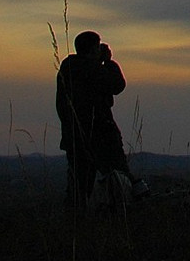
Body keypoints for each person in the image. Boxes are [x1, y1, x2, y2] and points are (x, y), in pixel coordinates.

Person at [56, 30, 142, 206]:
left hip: (75, 138)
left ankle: (76, 222)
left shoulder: (67, 69)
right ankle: (126, 214)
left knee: (79, 188)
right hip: (101, 136)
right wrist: (109, 62)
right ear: (93, 49)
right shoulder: (91, 69)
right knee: (120, 178)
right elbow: (117, 84)